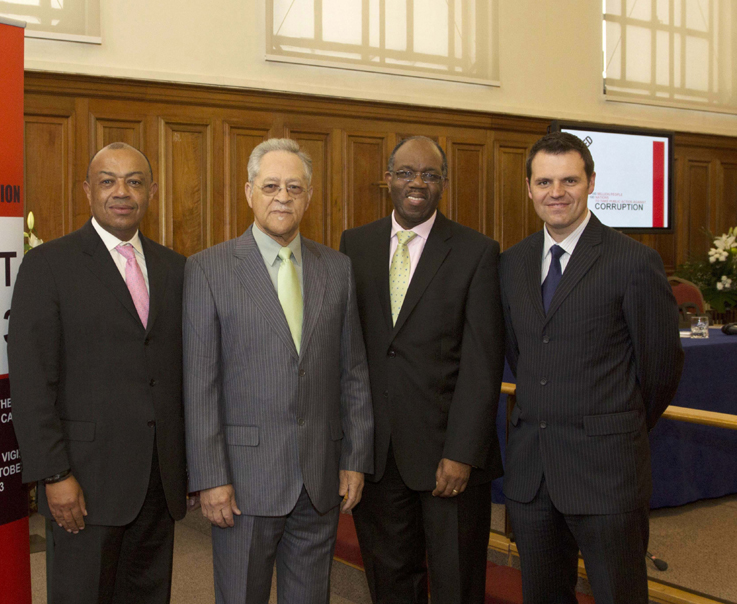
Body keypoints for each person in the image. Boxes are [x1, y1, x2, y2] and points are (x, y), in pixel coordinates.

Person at [184, 138, 374, 603]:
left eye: (294, 187)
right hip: (244, 482)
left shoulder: (338, 269)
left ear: (309, 196)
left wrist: (354, 457)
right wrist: (211, 477)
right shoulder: (209, 269)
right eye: (271, 186)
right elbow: (200, 384)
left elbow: (352, 371)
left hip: (318, 476)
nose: (282, 197)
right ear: (249, 191)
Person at [499, 132, 684, 603]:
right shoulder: (511, 264)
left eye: (569, 180)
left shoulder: (634, 262)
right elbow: (524, 358)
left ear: (591, 182)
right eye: (544, 181)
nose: (556, 192)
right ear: (528, 188)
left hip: (606, 473)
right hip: (532, 472)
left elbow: (660, 368)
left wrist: (614, 425)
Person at [8, 142, 188, 604]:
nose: (121, 192)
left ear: (151, 191)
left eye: (134, 181)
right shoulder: (48, 266)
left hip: (157, 479)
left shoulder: (176, 269)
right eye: (108, 181)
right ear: (88, 191)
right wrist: (54, 474)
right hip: (83, 482)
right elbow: (31, 381)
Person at [339, 136, 505, 603]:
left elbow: (482, 362)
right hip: (378, 456)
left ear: (443, 184)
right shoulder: (355, 244)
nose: (418, 183)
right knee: (390, 580)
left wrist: (462, 453)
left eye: (430, 175)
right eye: (407, 173)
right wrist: (351, 447)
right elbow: (350, 351)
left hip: (446, 459)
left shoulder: (477, 252)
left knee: (455, 581)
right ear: (388, 179)